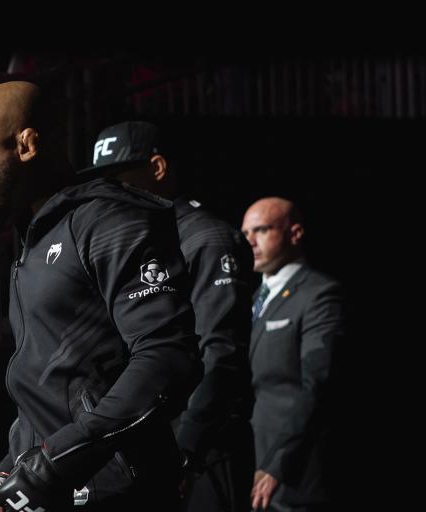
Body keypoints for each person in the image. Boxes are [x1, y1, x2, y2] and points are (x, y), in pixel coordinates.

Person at [0, 81, 201, 511]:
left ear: (26, 145)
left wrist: (54, 464)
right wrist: (2, 477)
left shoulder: (107, 220)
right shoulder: (31, 250)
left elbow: (166, 358)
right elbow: (51, 394)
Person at [78, 121, 256, 512]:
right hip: (145, 444)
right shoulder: (127, 242)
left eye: (118, 178)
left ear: (157, 168)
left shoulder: (205, 237)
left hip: (202, 447)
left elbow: (221, 352)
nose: (107, 190)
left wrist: (187, 448)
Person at [241, 197, 343, 511]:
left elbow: (317, 386)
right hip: (252, 463)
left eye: (261, 230)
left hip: (295, 474)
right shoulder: (253, 297)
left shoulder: (320, 294)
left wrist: (278, 465)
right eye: (245, 234)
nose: (250, 242)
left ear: (294, 233)